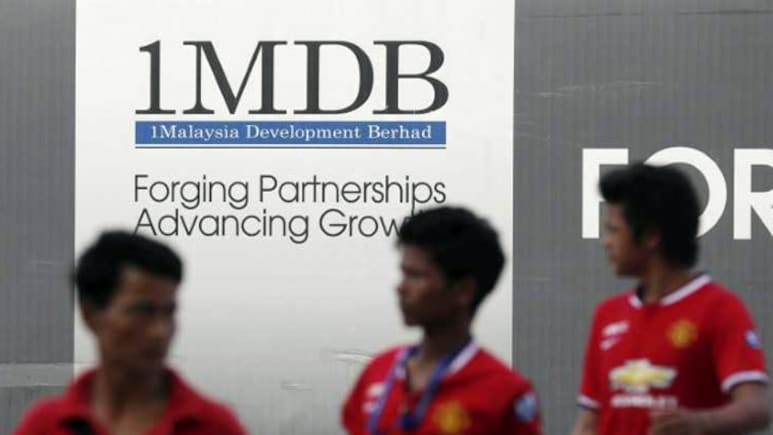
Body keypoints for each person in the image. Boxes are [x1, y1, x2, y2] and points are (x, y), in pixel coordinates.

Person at [571, 163, 770, 435]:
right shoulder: (607, 315)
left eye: (613, 230)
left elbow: (757, 407)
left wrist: (701, 423)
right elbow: (588, 422)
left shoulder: (719, 308)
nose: (605, 242)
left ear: (652, 236)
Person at [14, 231, 247, 435]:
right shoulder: (45, 427)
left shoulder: (214, 427)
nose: (160, 331)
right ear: (90, 314)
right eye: (143, 312)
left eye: (169, 312)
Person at [342, 206, 542, 435]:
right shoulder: (379, 371)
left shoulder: (505, 393)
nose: (401, 288)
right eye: (403, 273)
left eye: (415, 276)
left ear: (464, 291)